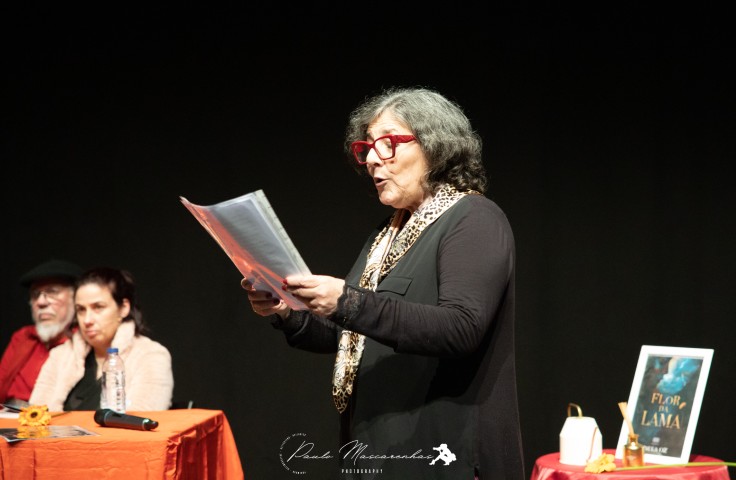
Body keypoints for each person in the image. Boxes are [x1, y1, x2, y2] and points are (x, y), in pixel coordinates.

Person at [242, 87, 524, 479]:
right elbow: (352, 337)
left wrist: (347, 302)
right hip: (377, 449)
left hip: (445, 452)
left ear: (435, 146)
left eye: (388, 144)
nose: (373, 158)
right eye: (368, 147)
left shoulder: (473, 218)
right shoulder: (387, 234)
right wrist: (287, 311)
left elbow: (461, 328)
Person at [30, 267, 173, 411]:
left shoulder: (150, 355)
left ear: (123, 308)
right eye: (81, 309)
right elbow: (35, 414)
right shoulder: (60, 356)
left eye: (98, 307)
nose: (87, 320)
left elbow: (143, 417)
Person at [0, 259, 83, 408]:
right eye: (35, 294)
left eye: (52, 292)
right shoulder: (23, 337)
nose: (41, 302)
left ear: (76, 298)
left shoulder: (84, 343)